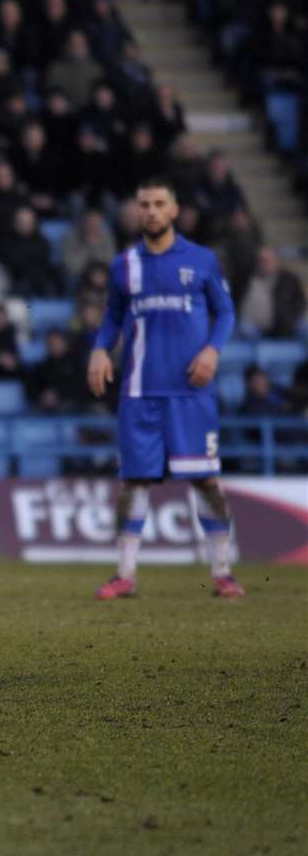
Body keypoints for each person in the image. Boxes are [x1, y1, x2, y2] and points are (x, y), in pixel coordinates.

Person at [88, 176, 242, 600]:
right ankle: (125, 574)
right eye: (144, 204)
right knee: (134, 482)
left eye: (159, 203)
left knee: (206, 481)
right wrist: (101, 351)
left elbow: (225, 312)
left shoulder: (202, 260)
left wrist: (212, 350)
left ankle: (223, 571)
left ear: (174, 210)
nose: (152, 211)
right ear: (137, 211)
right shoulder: (124, 265)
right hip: (139, 391)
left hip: (191, 391)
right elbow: (112, 319)